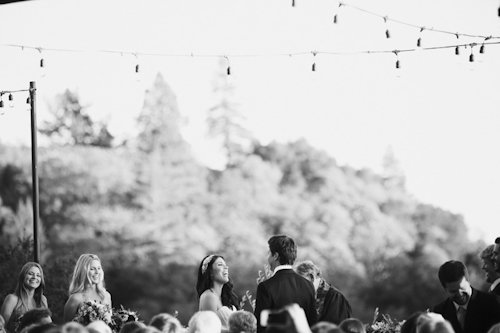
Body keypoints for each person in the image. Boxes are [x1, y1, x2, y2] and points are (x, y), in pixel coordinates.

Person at [254, 235, 317, 333]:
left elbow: (261, 326)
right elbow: (313, 323)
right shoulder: (308, 285)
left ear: (275, 256)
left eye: (268, 253)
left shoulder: (266, 287)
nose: (267, 258)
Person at [432, 260, 500, 333]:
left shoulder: (492, 303)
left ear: (468, 281)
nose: (459, 294)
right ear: (445, 289)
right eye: (453, 291)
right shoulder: (440, 312)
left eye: (462, 288)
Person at [294, 260, 352, 325]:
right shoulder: (307, 297)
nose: (299, 287)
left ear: (311, 277)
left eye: (300, 283)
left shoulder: (336, 298)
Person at [0, 262, 49, 333]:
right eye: (30, 274)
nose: (34, 277)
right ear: (23, 276)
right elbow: (2, 328)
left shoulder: (42, 300)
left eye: (38, 275)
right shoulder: (12, 299)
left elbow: (48, 326)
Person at [196, 254, 240, 332]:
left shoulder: (227, 298)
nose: (226, 267)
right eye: (220, 265)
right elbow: (211, 328)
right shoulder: (208, 296)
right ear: (210, 273)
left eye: (226, 265)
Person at [63, 254, 112, 323]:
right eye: (92, 269)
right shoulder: (76, 298)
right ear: (83, 271)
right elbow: (67, 328)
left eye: (99, 268)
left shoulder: (106, 296)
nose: (97, 272)